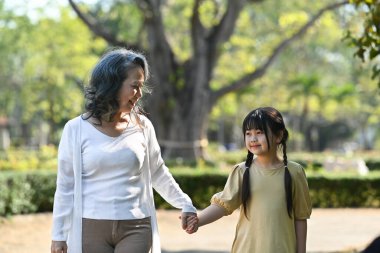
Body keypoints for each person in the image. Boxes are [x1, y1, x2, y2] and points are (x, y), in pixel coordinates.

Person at [51, 48, 197, 253]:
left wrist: (185, 203)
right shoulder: (75, 129)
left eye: (141, 86)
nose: (139, 94)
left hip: (136, 227)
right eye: (134, 86)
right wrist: (58, 236)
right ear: (112, 84)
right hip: (90, 227)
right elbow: (66, 186)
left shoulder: (143, 126)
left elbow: (158, 172)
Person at [186, 106, 312, 253]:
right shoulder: (241, 171)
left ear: (278, 136)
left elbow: (300, 217)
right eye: (248, 133)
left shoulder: (294, 172)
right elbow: (222, 206)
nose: (253, 138)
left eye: (259, 133)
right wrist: (198, 221)